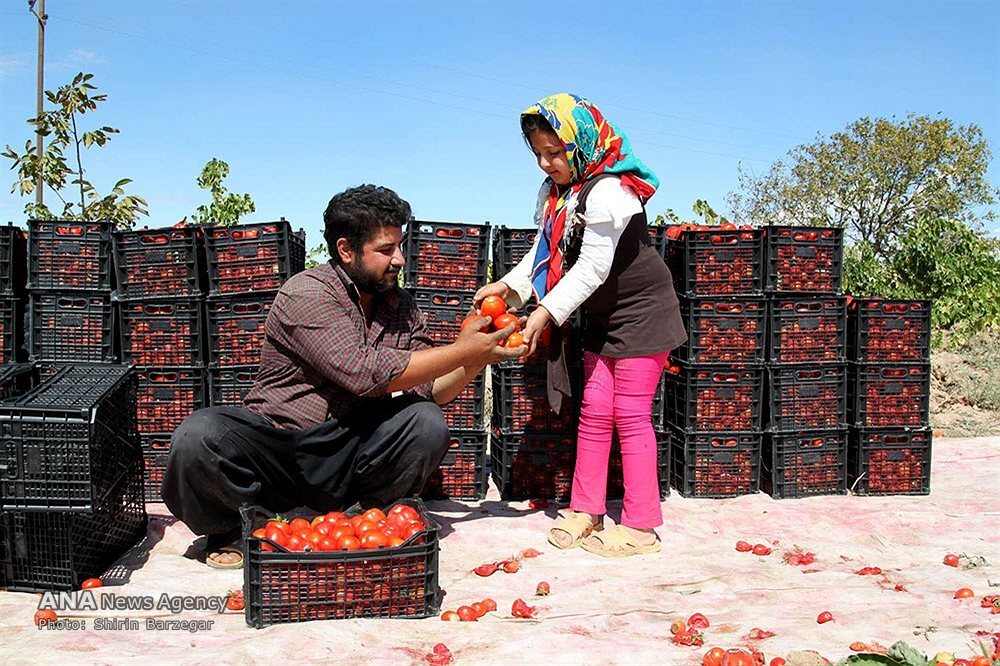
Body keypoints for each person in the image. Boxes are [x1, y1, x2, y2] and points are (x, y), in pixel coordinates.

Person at [163, 184, 523, 568]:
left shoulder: (402, 308)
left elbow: (431, 389)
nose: (400, 259)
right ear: (346, 250)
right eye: (386, 249)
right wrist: (461, 350)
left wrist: (477, 359)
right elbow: (362, 373)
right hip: (278, 447)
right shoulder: (307, 293)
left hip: (350, 448)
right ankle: (235, 526)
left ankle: (366, 517)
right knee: (198, 437)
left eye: (400, 246)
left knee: (426, 421)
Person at [475, 93, 686, 557]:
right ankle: (586, 509)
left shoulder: (610, 191)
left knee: (630, 415)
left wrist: (545, 312)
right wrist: (506, 288)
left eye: (554, 152)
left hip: (644, 313)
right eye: (538, 154)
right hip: (603, 316)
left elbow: (591, 267)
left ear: (580, 144)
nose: (545, 163)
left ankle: (641, 526)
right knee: (593, 410)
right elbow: (543, 253)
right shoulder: (560, 196)